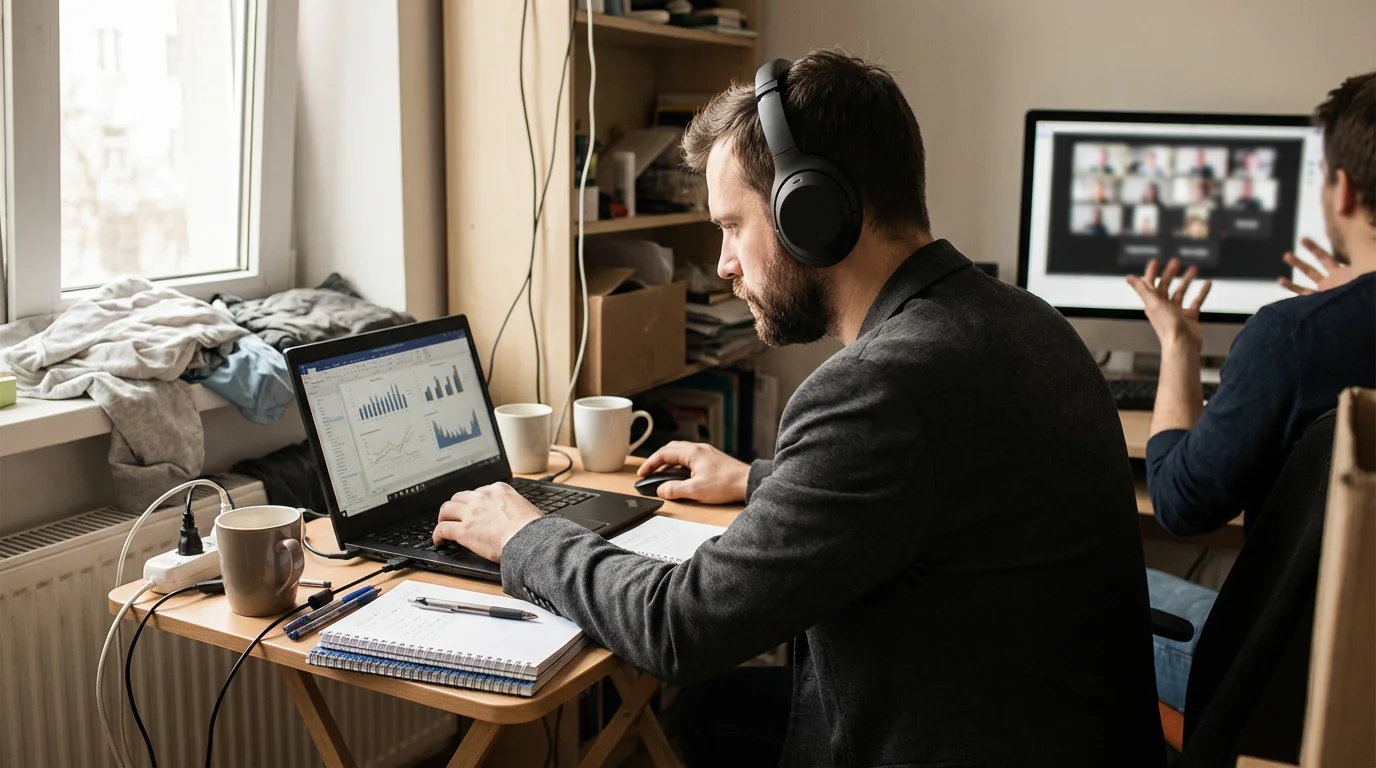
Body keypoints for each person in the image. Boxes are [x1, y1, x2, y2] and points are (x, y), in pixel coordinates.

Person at [433, 48, 1164, 767]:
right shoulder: (1024, 320)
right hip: (1062, 731)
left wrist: (525, 535)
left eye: (730, 225)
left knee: (711, 698)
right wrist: (760, 482)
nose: (723, 265)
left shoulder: (878, 387)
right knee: (725, 714)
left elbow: (681, 628)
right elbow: (939, 496)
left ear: (811, 210)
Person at [1125, 70, 1376, 715]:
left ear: (1343, 190)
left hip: (1293, 691)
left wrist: (1179, 346)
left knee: (1084, 590)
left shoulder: (1293, 340)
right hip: (1361, 686)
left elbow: (1181, 504)